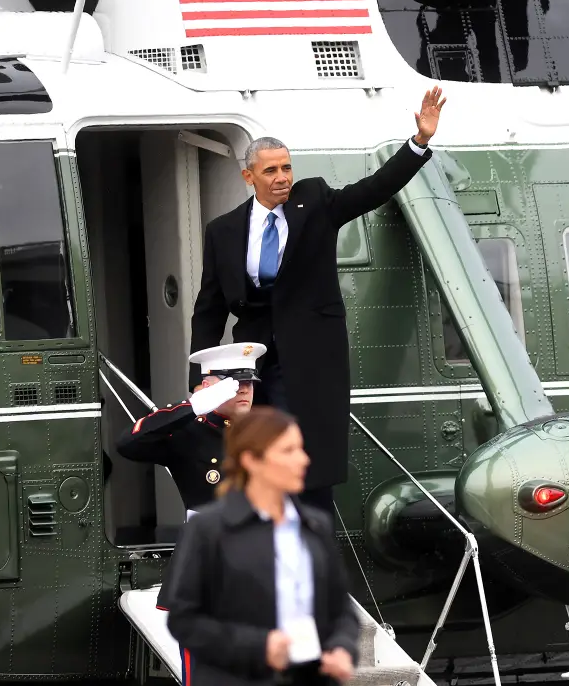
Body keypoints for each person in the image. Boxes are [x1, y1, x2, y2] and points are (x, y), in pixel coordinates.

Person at [188, 87, 447, 517]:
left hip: (306, 359)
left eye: (287, 167)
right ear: (248, 177)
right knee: (251, 462)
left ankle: (314, 557)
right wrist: (201, 379)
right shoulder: (224, 230)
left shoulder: (315, 203)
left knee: (304, 467)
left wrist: (418, 143)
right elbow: (210, 308)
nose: (283, 177)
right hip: (250, 364)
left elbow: (373, 190)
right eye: (271, 170)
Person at [163, 406, 359, 686]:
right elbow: (183, 620)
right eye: (288, 451)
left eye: (301, 449)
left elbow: (341, 611)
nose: (303, 460)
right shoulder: (209, 530)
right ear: (251, 461)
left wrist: (342, 648)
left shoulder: (316, 526)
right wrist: (260, 647)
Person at [116, 342, 265, 512]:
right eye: (235, 382)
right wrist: (190, 407)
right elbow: (127, 444)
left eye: (249, 382)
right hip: (210, 535)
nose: (245, 389)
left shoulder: (266, 432)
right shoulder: (189, 432)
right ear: (208, 388)